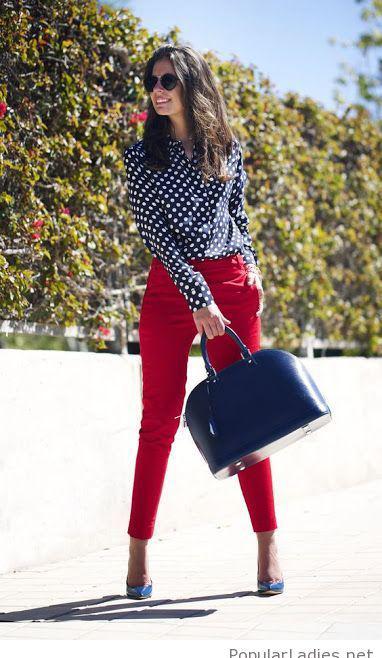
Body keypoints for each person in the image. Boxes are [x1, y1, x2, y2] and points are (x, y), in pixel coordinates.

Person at [123, 43, 284, 599]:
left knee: (250, 418)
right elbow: (157, 237)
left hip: (232, 283)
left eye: (167, 79)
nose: (157, 89)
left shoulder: (225, 147)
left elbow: (237, 213)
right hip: (173, 289)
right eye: (152, 81)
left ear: (191, 83)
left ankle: (267, 545)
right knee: (159, 420)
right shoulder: (141, 157)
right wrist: (198, 295)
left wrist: (253, 269)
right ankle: (138, 549)